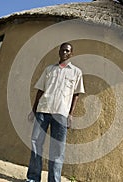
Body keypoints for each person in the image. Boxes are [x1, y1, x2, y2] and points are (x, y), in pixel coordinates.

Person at [26, 42, 85, 182]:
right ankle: (33, 178)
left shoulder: (76, 72)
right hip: (43, 111)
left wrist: (70, 114)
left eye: (67, 51)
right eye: (62, 50)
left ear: (71, 54)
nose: (64, 53)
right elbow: (40, 90)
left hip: (61, 114)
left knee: (57, 150)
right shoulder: (49, 70)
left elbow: (76, 94)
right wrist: (33, 110)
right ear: (59, 52)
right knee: (36, 144)